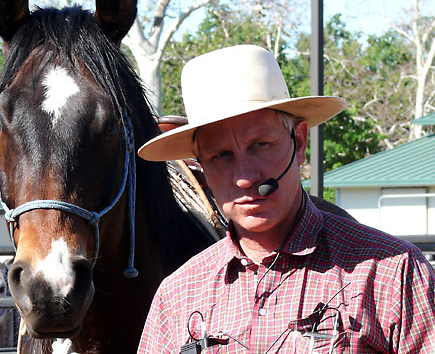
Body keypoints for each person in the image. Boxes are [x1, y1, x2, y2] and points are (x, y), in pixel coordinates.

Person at [137, 45, 435, 353]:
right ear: (201, 167)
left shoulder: (391, 273)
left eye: (260, 145)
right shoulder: (176, 297)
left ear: (300, 142)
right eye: (221, 155)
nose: (245, 177)